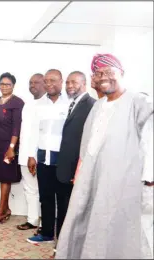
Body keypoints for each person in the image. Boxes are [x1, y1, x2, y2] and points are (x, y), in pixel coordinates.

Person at [56, 54, 153, 259]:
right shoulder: (98, 106)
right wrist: (80, 172)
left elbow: (150, 141)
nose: (102, 77)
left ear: (122, 73)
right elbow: (88, 144)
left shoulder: (139, 101)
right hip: (92, 177)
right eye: (98, 73)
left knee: (122, 231)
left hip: (125, 180)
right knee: (88, 222)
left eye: (109, 72)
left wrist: (149, 179)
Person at [51, 71, 95, 250]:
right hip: (65, 166)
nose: (70, 86)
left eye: (74, 82)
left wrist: (79, 168)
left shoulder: (91, 105)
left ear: (84, 83)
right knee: (62, 207)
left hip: (76, 168)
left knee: (72, 210)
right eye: (68, 82)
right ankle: (61, 244)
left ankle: (67, 247)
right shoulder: (73, 103)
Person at [26, 69, 70, 243]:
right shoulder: (40, 105)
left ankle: (63, 236)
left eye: (53, 80)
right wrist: (31, 155)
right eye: (46, 81)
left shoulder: (70, 102)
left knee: (63, 199)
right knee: (45, 197)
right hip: (43, 157)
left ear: (61, 81)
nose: (49, 84)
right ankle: (46, 234)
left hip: (63, 159)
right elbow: (34, 132)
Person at [0, 72, 24, 224]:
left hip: (9, 145)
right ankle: (6, 209)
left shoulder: (17, 102)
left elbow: (17, 127)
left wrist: (11, 148)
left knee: (5, 178)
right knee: (2, 177)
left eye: (7, 84)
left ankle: (1, 211)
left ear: (13, 86)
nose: (4, 86)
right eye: (2, 84)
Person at [16, 73, 46, 231]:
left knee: (43, 191)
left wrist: (33, 155)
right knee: (29, 189)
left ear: (44, 84)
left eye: (36, 82)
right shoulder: (28, 104)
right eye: (30, 82)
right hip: (24, 155)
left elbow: (41, 134)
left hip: (37, 156)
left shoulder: (48, 104)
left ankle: (45, 223)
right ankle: (32, 219)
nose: (32, 85)